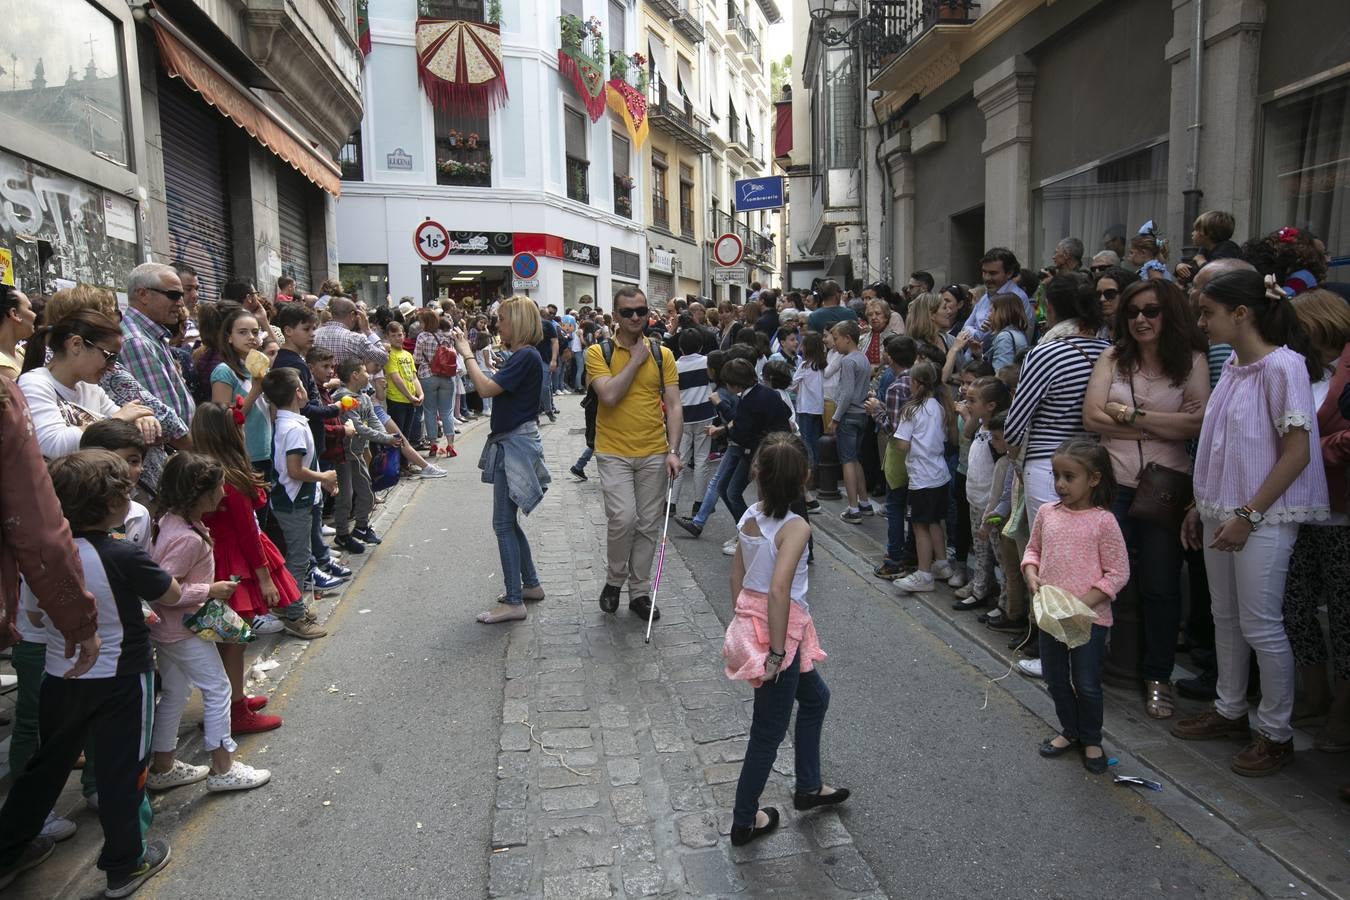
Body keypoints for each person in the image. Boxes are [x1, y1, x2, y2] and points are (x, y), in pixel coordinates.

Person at [1172, 269, 1329, 777]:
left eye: (1208, 312)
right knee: (1226, 616)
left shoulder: (1284, 367)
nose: (1202, 322)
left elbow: (1296, 453)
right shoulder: (1237, 367)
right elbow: (1222, 447)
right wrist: (1202, 504)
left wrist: (1247, 514)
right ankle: (1229, 708)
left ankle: (1276, 732)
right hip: (1224, 510)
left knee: (1261, 623)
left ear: (1241, 314)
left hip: (1259, 517)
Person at [0, 450, 176, 897]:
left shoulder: (44, 556)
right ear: (113, 502)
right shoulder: (121, 553)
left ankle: (8, 850)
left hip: (60, 679)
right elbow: (170, 593)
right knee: (124, 772)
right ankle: (125, 863)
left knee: (45, 768)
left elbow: (36, 618)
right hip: (122, 680)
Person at [1083, 280, 1209, 719]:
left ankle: (1158, 675)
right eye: (1133, 311)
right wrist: (1161, 424)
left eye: (1151, 311)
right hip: (1114, 484)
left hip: (1167, 488)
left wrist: (1128, 416)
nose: (1140, 319)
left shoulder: (1191, 361)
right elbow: (1091, 415)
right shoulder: (1112, 358)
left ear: (1168, 314)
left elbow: (1196, 424)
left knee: (1160, 585)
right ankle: (1090, 662)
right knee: (1099, 579)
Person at [722, 433, 844, 847]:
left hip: (758, 623)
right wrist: (775, 652)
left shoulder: (750, 515)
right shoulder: (796, 528)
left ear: (758, 474)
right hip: (782, 634)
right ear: (805, 478)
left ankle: (808, 786)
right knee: (768, 731)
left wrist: (741, 621)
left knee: (815, 699)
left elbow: (737, 577)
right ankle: (743, 820)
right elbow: (779, 591)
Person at [145, 452, 271, 793]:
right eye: (219, 486)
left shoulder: (174, 522)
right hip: (182, 629)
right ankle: (222, 767)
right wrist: (209, 590)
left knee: (175, 692)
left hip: (171, 628)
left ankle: (163, 764)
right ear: (200, 493)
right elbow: (162, 590)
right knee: (218, 690)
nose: (223, 492)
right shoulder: (185, 536)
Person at [1022, 439, 1130, 774]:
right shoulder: (1046, 513)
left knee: (1086, 682)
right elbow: (1032, 550)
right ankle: (1070, 730)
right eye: (1056, 476)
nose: (1060, 484)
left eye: (1069, 477)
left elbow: (1118, 571)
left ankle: (1091, 737)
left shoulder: (1103, 522)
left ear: (1094, 479)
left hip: (1089, 621)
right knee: (1055, 679)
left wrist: (1082, 604)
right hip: (1051, 617)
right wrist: (1030, 572)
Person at [191, 402, 296, 732]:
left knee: (227, 638)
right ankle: (234, 710)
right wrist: (265, 578)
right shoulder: (229, 478)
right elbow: (248, 533)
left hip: (217, 557)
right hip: (234, 562)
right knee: (233, 640)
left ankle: (232, 698)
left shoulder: (200, 469)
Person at [587, 287, 683, 622]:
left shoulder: (663, 355)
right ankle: (615, 580)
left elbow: (673, 405)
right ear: (615, 316)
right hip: (613, 451)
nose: (635, 317)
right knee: (623, 518)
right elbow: (609, 395)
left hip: (654, 452)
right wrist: (636, 360)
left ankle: (639, 592)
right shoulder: (598, 352)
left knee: (647, 525)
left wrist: (674, 449)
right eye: (627, 312)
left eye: (641, 311)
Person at [1282, 290, 1350, 752]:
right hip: (1299, 508)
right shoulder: (1299, 369)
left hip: (1342, 512)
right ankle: (1314, 694)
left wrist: (1314, 453)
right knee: (1294, 605)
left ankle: (1342, 712)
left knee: (1345, 618)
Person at [452, 298, 548, 624]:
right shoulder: (524, 356)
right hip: (516, 440)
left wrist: (467, 353)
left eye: (503, 320)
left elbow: (484, 389)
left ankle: (514, 600)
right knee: (509, 521)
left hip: (515, 444)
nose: (499, 326)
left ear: (518, 322)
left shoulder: (525, 355)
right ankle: (530, 584)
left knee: (503, 524)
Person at [1004, 275, 1111, 527]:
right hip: (1095, 463)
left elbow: (1014, 426)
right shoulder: (1108, 349)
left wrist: (1013, 454)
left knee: (1049, 549)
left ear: (1050, 307)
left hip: (1048, 464)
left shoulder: (1044, 353)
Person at [18, 309, 159, 460]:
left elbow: (124, 420)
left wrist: (142, 420)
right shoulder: (34, 384)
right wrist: (116, 420)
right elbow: (54, 445)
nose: (112, 367)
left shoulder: (89, 388)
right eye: (110, 356)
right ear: (76, 344)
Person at [260, 368, 336, 640]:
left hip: (298, 499)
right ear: (298, 392)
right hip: (294, 502)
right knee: (299, 558)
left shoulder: (290, 422)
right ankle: (294, 615)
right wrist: (324, 477)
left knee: (297, 556)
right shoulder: (292, 428)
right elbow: (294, 470)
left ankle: (291, 604)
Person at [892, 361, 956, 593]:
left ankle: (924, 573)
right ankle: (941, 564)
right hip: (939, 473)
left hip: (921, 476)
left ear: (916, 383)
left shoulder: (911, 410)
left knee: (919, 525)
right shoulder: (940, 406)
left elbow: (901, 444)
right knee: (935, 521)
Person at [953, 378, 1013, 610]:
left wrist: (993, 509)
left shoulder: (999, 438)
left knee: (1000, 556)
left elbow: (1000, 480)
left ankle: (1006, 602)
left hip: (992, 506)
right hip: (974, 499)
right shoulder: (980, 427)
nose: (968, 405)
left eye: (973, 401)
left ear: (990, 405)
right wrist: (972, 416)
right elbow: (967, 434)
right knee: (980, 552)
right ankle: (980, 587)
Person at [712, 359, 793, 526]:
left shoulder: (749, 402)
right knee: (725, 488)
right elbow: (786, 411)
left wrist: (723, 414)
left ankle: (748, 530)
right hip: (774, 447)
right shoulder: (766, 392)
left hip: (760, 452)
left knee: (732, 492)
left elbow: (740, 434)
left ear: (734, 385)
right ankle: (747, 529)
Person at [864, 335, 918, 579]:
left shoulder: (898, 387)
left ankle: (895, 557)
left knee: (895, 507)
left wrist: (876, 411)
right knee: (912, 509)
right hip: (920, 453)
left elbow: (893, 428)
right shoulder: (919, 381)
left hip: (900, 453)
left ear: (889, 358)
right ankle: (911, 554)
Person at [333, 358, 400, 554]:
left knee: (366, 492)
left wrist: (386, 437)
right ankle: (342, 533)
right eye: (364, 371)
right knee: (345, 496)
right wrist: (385, 439)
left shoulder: (364, 397)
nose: (368, 375)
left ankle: (361, 527)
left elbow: (373, 420)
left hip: (357, 452)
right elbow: (359, 428)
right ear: (354, 375)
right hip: (344, 454)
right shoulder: (342, 398)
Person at [121, 262, 196, 427]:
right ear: (143, 294)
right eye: (174, 295)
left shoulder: (152, 335)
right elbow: (166, 421)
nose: (181, 303)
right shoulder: (137, 341)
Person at [210, 305, 272, 473]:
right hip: (240, 456)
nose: (251, 337)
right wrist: (256, 390)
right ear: (229, 337)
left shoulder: (261, 367)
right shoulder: (224, 371)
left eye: (255, 332)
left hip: (267, 452)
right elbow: (223, 422)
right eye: (243, 332)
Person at [827, 321, 874, 522]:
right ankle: (864, 502)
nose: (834, 343)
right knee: (855, 459)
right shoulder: (862, 358)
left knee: (847, 460)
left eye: (836, 339)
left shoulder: (847, 361)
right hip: (862, 414)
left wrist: (835, 419)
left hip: (848, 415)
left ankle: (853, 508)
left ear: (848, 338)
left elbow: (846, 393)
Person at [78, 420, 152, 549]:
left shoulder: (140, 515)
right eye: (112, 462)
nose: (123, 469)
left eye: (133, 461)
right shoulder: (72, 513)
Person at [671, 328, 716, 517]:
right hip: (705, 414)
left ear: (680, 347)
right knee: (701, 460)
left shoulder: (674, 366)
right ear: (701, 345)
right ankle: (699, 503)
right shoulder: (707, 362)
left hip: (682, 418)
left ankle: (671, 503)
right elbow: (714, 384)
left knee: (678, 460)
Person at [961, 248, 1035, 346]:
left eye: (993, 273)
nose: (987, 278)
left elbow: (982, 338)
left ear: (1009, 273)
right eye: (984, 272)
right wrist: (971, 331)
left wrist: (971, 331)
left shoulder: (1016, 299)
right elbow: (964, 329)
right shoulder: (986, 296)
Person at [790, 332, 827, 511]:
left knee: (806, 443)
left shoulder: (805, 365)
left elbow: (792, 383)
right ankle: (818, 473)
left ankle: (809, 476)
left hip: (805, 407)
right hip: (818, 408)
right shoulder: (822, 365)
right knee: (814, 440)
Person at [415, 309, 458, 457]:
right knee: (447, 411)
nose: (419, 324)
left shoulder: (422, 337)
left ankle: (433, 444)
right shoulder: (447, 336)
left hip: (427, 376)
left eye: (421, 321)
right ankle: (451, 445)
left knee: (430, 411)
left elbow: (417, 359)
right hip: (446, 377)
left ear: (426, 322)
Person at [383, 321, 424, 449]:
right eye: (393, 335)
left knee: (407, 434)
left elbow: (413, 377)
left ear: (404, 335)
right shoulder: (389, 355)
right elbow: (396, 378)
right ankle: (397, 465)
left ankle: (405, 463)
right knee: (397, 435)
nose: (397, 338)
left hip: (410, 399)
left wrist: (420, 393)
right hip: (397, 399)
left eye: (399, 335)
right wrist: (410, 396)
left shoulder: (407, 355)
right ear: (387, 337)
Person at [0, 285, 35, 378]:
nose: (35, 315)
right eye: (30, 309)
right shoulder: (2, 366)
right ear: (15, 314)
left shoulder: (20, 352)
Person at [1094, 266, 1139, 337]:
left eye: (1110, 294)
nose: (1102, 299)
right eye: (1098, 294)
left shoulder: (1138, 327)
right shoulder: (1096, 327)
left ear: (1126, 293)